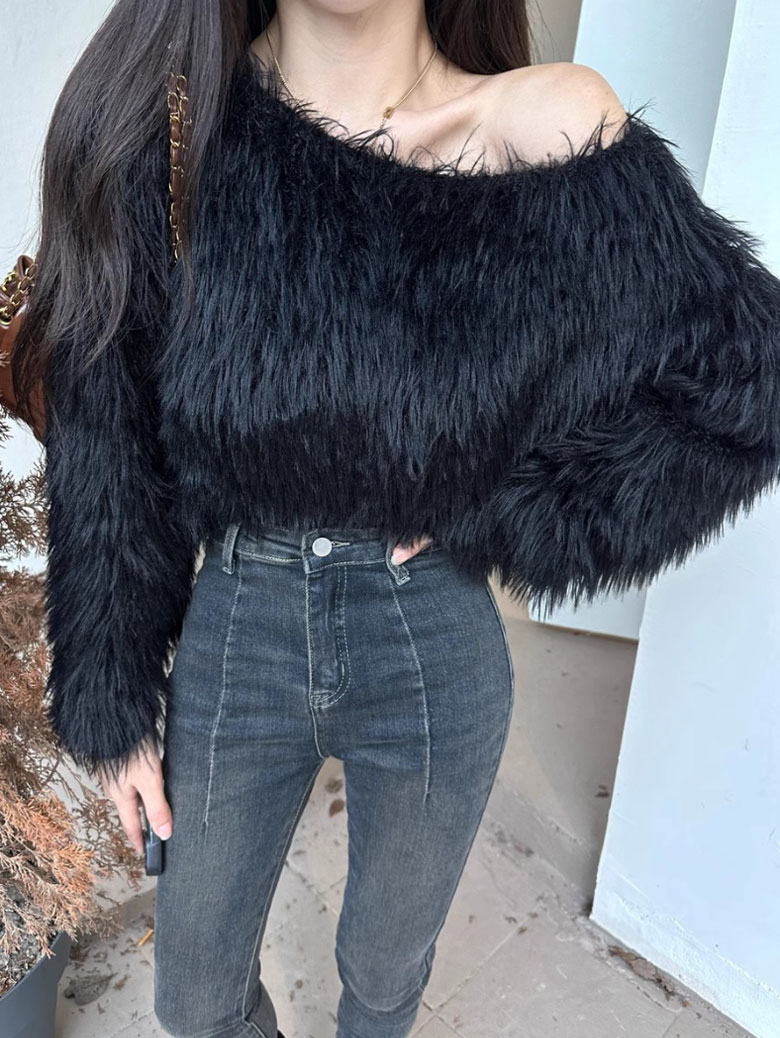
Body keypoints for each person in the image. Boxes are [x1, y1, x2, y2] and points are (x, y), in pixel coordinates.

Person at [11, 1, 780, 1036]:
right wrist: (110, 693)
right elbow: (108, 424)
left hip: (429, 637)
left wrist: (507, 511)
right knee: (193, 1000)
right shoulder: (173, 129)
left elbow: (745, 383)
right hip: (242, 623)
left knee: (382, 976)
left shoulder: (543, 129)